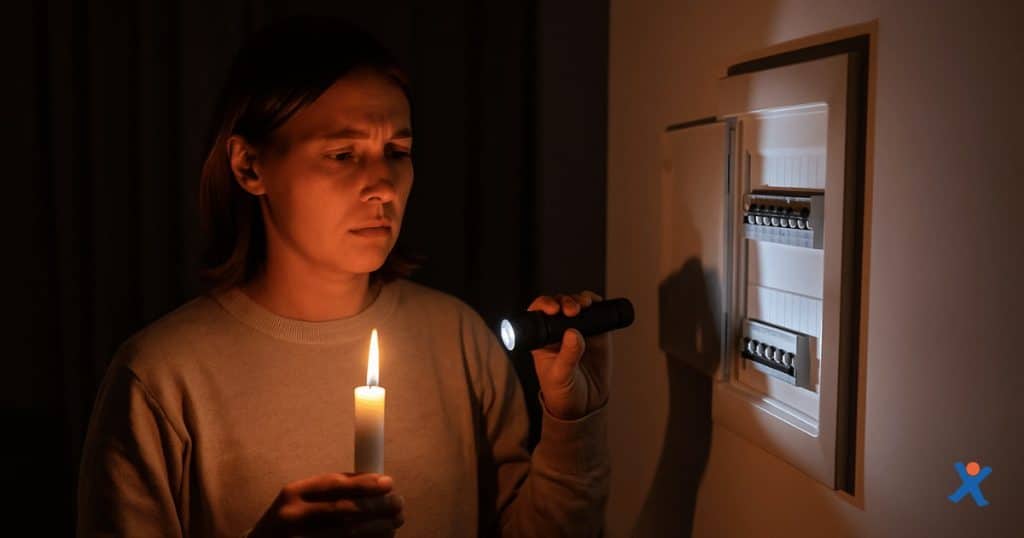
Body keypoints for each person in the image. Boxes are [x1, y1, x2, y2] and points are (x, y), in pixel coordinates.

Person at [76, 15, 611, 538]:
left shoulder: (460, 340)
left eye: (397, 152)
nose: (382, 185)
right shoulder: (162, 379)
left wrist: (570, 423)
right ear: (250, 167)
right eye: (343, 154)